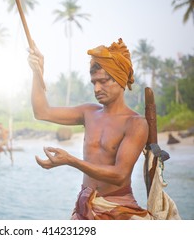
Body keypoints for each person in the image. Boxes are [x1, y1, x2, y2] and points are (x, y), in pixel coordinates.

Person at [28, 38, 153, 220]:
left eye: (103, 81)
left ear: (120, 79)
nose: (97, 88)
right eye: (93, 82)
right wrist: (37, 71)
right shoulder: (89, 112)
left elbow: (120, 175)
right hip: (85, 206)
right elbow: (42, 112)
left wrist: (71, 160)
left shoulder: (135, 123)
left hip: (118, 208)